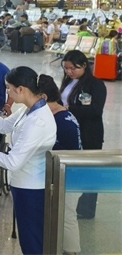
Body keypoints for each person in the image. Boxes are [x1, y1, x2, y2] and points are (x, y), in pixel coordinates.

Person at [0, 67, 57, 255]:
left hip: (31, 188)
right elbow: (3, 126)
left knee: (32, 240)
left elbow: (13, 162)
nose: (7, 92)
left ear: (21, 89)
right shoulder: (29, 110)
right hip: (22, 183)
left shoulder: (37, 121)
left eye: (9, 88)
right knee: (29, 238)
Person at [58, 50, 106, 219]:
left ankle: (86, 209)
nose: (69, 72)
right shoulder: (68, 82)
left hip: (89, 133)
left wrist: (69, 109)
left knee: (89, 171)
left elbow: (95, 110)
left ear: (84, 65)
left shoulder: (96, 85)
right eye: (66, 68)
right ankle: (69, 204)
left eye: (73, 68)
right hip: (70, 131)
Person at [42, 76, 82, 254]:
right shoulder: (56, 115)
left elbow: (71, 154)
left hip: (71, 177)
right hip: (61, 175)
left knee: (67, 216)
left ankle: (71, 251)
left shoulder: (63, 121)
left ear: (43, 97)